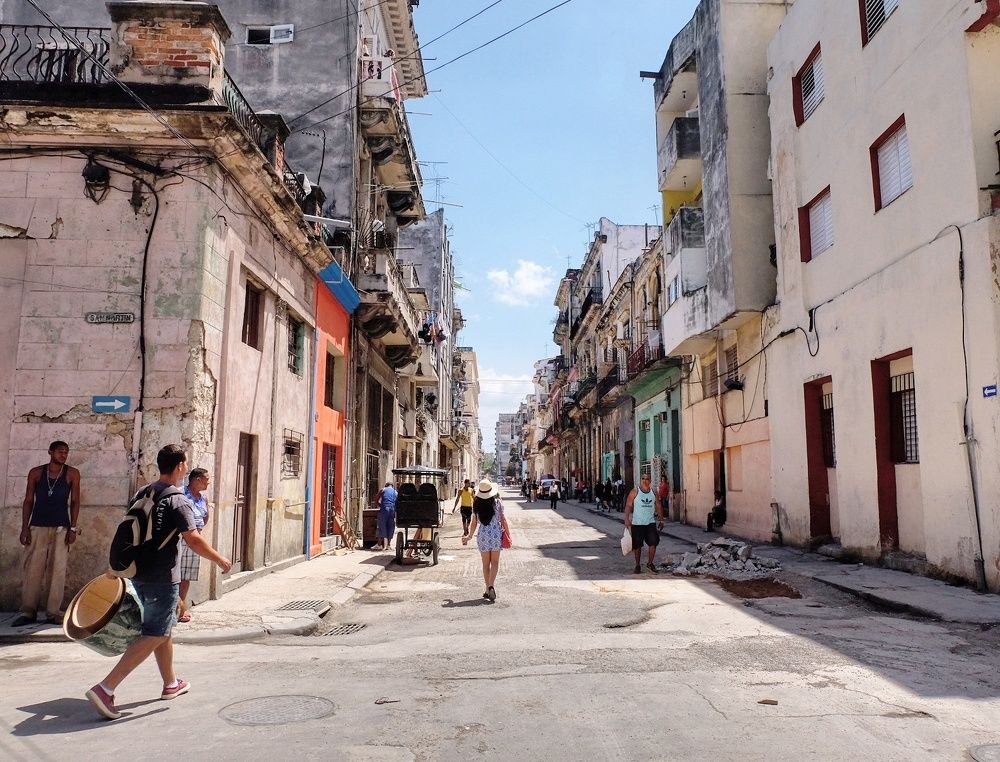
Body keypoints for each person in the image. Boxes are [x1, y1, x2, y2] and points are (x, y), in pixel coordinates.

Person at [85, 444, 232, 721]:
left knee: (163, 628)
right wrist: (220, 560)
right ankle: (106, 688)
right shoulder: (178, 500)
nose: (187, 467)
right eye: (185, 463)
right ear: (178, 467)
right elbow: (193, 539)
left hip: (138, 572)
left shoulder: (144, 492)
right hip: (162, 577)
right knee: (154, 633)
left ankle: (171, 683)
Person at [13, 441, 82, 627]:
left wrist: (73, 528)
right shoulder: (36, 473)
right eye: (60, 452)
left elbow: (75, 501)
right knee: (32, 569)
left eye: (66, 452)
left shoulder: (72, 473)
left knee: (57, 570)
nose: (63, 455)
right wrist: (24, 527)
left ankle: (53, 613)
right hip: (38, 525)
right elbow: (28, 501)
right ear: (50, 452)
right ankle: (28, 611)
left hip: (62, 527)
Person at [462, 480, 510, 602]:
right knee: (495, 562)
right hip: (495, 534)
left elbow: (473, 522)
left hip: (482, 535)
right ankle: (491, 585)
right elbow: (503, 519)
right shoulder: (498, 503)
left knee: (485, 564)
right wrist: (508, 534)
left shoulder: (476, 504)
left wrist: (469, 536)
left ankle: (487, 589)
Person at [176, 468, 211, 624]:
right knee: (173, 574)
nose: (208, 482)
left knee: (186, 576)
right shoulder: (180, 493)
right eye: (206, 479)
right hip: (179, 539)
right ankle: (176, 609)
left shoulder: (204, 498)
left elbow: (205, 518)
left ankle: (180, 608)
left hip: (195, 540)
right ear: (197, 479)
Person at [624, 472, 665, 575]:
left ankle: (650, 563)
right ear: (640, 480)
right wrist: (626, 518)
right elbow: (628, 505)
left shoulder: (653, 493)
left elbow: (658, 506)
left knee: (653, 543)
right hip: (637, 523)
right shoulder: (635, 491)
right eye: (643, 478)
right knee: (637, 546)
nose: (645, 480)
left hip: (650, 523)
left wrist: (661, 519)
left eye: (647, 479)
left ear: (650, 481)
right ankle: (637, 565)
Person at [374, 482, 398, 551]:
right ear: (392, 486)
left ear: (386, 485)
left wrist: (380, 505)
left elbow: (376, 499)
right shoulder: (395, 492)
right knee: (390, 526)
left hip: (384, 509)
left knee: (381, 525)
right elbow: (397, 502)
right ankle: (388, 545)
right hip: (392, 510)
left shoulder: (383, 489)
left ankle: (379, 545)